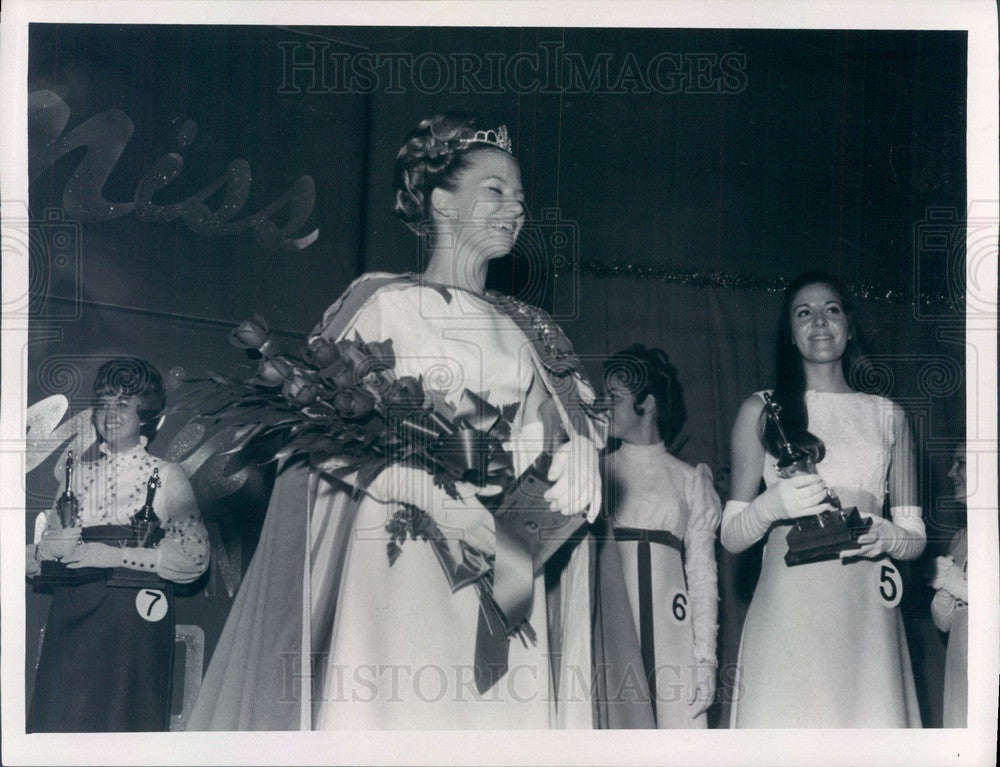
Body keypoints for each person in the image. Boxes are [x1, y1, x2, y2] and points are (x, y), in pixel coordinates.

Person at [187, 115, 606, 730]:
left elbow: (573, 418)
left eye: (520, 197)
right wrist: (430, 497)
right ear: (441, 200)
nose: (516, 208)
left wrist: (581, 448)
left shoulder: (533, 328)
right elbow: (319, 433)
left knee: (499, 721)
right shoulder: (383, 301)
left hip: (515, 554)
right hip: (411, 548)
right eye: (495, 190)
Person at [721, 271, 925, 728]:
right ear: (790, 335)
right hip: (790, 606)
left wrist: (888, 535)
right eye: (803, 313)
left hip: (866, 610)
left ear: (850, 327)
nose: (819, 322)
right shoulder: (761, 409)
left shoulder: (889, 416)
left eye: (831, 310)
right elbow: (731, 536)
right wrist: (773, 505)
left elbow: (916, 538)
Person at [26, 357, 209, 732]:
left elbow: (195, 556)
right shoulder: (76, 476)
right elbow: (49, 548)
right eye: (102, 403)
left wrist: (114, 556)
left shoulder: (167, 475)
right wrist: (46, 552)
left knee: (121, 725)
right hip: (71, 614)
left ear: (143, 413)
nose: (110, 414)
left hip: (130, 623)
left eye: (122, 404)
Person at [600, 345, 721, 727]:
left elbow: (702, 576)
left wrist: (705, 660)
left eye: (614, 398)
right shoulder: (595, 471)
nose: (604, 406)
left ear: (647, 403)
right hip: (612, 628)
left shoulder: (689, 480)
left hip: (673, 635)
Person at [930, 441, 968, 727]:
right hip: (961, 658)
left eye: (962, 463)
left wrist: (962, 588)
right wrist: (944, 594)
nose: (952, 472)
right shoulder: (960, 538)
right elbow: (945, 623)